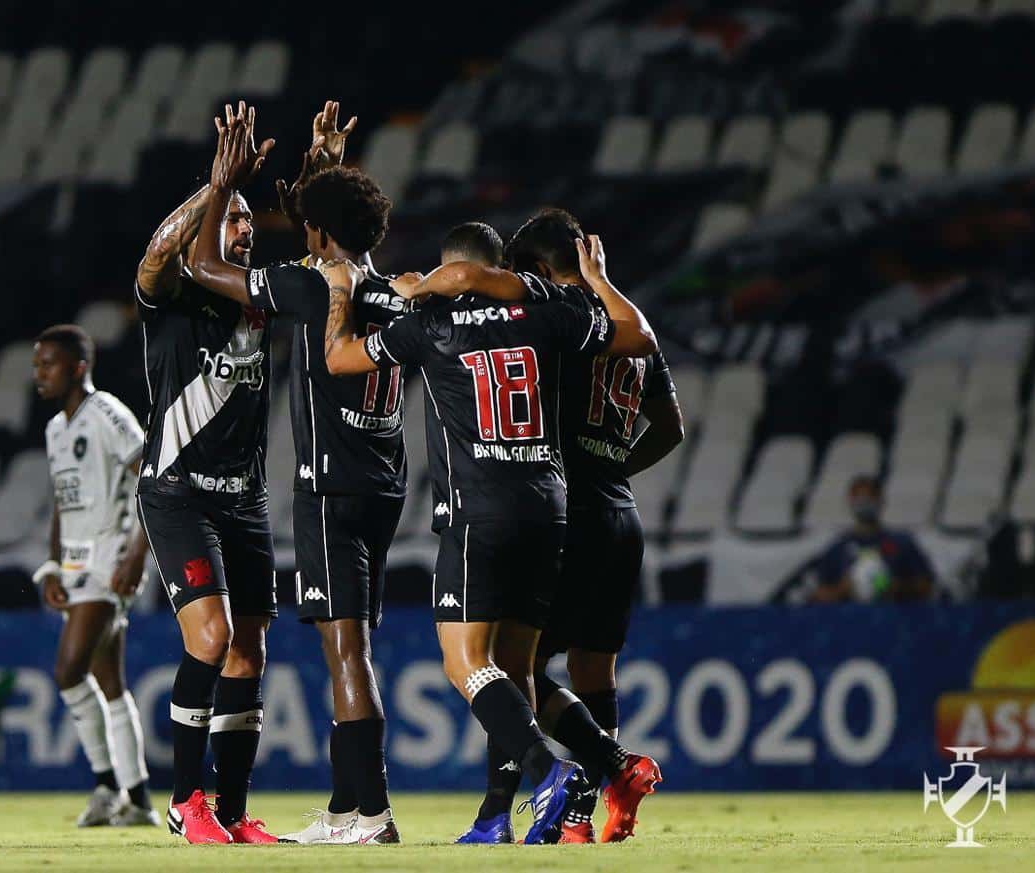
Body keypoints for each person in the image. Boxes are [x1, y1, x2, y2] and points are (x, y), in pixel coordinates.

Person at [321, 221, 656, 845]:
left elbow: (339, 360)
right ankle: (583, 777)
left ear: (449, 270)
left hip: (479, 509)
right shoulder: (546, 309)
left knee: (464, 662)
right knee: (516, 667)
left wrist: (343, 298)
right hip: (549, 505)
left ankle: (552, 774)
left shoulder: (430, 323)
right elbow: (637, 337)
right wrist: (598, 279)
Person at [190, 101, 406, 845]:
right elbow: (335, 230)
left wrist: (221, 187)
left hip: (330, 485)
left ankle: (371, 813)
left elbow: (204, 266)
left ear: (317, 232)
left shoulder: (314, 288)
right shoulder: (383, 287)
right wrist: (328, 168)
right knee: (354, 643)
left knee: (346, 650)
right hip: (383, 480)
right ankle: (347, 807)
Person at [132, 101, 278, 845]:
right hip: (178, 491)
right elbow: (160, 258)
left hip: (245, 499)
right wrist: (214, 188)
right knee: (210, 634)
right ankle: (184, 799)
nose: (245, 228)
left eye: (251, 220)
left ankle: (229, 808)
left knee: (249, 647)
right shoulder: (175, 296)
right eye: (234, 219)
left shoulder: (259, 299)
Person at [32, 324, 156, 828]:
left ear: (78, 367)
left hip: (110, 559)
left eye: (49, 364)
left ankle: (107, 786)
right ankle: (138, 798)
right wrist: (52, 564)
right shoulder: (54, 429)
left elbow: (150, 475)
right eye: (37, 364)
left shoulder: (106, 412)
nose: (39, 374)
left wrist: (137, 553)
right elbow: (62, 505)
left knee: (68, 671)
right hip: (78, 563)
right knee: (109, 682)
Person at [810, 474, 935, 603]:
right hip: (850, 619)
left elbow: (927, 587)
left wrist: (897, 588)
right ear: (850, 501)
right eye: (859, 498)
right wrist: (842, 590)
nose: (864, 502)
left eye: (870, 497)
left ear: (881, 500)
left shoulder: (902, 543)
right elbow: (818, 594)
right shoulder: (837, 548)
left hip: (894, 619)